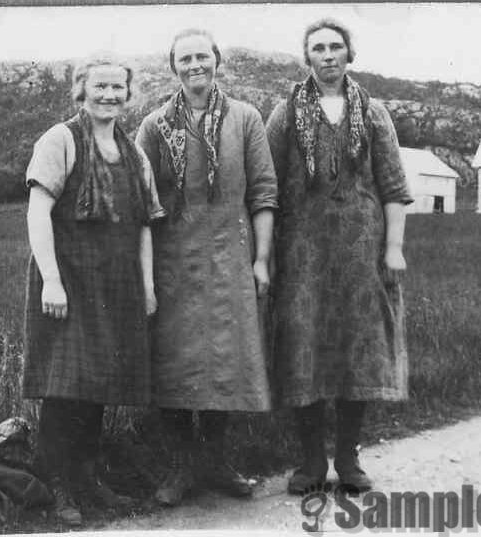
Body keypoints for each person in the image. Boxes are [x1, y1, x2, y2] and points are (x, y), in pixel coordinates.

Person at [265, 18, 413, 495]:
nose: (327, 56)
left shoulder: (374, 113)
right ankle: (310, 461)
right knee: (301, 350)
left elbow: (393, 187)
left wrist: (393, 249)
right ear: (306, 57)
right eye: (318, 49)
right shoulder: (284, 114)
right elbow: (265, 190)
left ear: (350, 54)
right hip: (301, 254)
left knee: (359, 350)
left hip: (360, 254)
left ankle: (348, 459)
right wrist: (264, 255)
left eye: (335, 47)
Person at [135, 29, 278, 506]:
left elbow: (263, 193)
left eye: (203, 56)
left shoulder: (246, 119)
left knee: (225, 362)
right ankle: (181, 464)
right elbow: (142, 203)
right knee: (175, 363)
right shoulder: (155, 126)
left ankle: (215, 460)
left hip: (229, 261)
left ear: (217, 60)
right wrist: (147, 272)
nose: (195, 65)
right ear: (172, 66)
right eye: (185, 58)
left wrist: (259, 259)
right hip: (174, 263)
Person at [22, 56, 165, 526]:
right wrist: (52, 280)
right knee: (64, 385)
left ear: (128, 93)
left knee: (98, 383)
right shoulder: (60, 139)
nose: (109, 95)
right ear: (81, 90)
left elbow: (145, 225)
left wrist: (146, 286)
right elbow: (38, 212)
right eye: (99, 86)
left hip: (115, 284)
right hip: (68, 280)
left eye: (117, 87)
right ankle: (55, 482)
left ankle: (87, 479)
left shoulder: (133, 152)